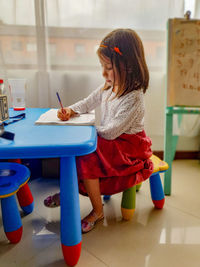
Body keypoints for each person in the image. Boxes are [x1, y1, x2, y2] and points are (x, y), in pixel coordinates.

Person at [44, 28, 154, 233]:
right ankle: (69, 192)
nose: (103, 73)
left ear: (127, 66)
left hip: (128, 147)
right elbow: (88, 102)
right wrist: (71, 110)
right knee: (75, 150)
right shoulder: (109, 85)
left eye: (108, 67)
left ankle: (97, 211)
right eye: (102, 66)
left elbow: (111, 132)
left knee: (86, 156)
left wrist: (87, 130)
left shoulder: (134, 98)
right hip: (112, 140)